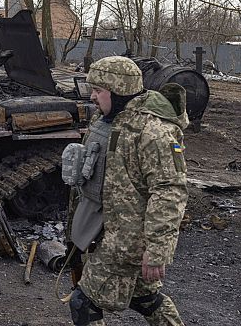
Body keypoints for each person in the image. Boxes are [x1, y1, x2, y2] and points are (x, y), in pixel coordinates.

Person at [61, 56, 189, 325]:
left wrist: (156, 252)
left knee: (83, 303)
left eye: (98, 91)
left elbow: (169, 192)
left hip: (129, 240)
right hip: (110, 231)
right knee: (144, 299)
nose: (92, 97)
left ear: (119, 90)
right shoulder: (110, 119)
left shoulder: (153, 131)